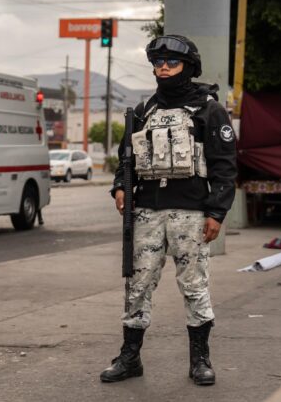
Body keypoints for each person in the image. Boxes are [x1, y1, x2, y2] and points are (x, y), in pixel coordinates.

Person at [101, 35, 237, 386]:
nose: (162, 67)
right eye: (157, 62)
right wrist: (120, 187)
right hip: (146, 212)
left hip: (191, 214)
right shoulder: (145, 110)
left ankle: (200, 360)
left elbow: (224, 167)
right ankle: (130, 358)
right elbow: (125, 158)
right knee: (137, 284)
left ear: (188, 68)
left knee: (193, 285)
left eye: (170, 62)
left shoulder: (208, 109)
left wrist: (216, 212)